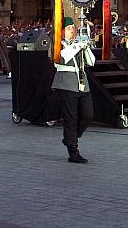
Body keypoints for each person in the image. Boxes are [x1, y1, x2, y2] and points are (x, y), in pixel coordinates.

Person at [51, 16, 94, 163]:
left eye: (73, 29)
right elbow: (60, 59)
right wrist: (77, 47)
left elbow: (91, 62)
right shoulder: (57, 44)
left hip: (82, 83)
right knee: (71, 118)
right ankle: (73, 151)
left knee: (88, 114)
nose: (72, 31)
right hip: (66, 84)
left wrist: (86, 47)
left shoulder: (77, 43)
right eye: (69, 29)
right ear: (61, 31)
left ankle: (71, 137)